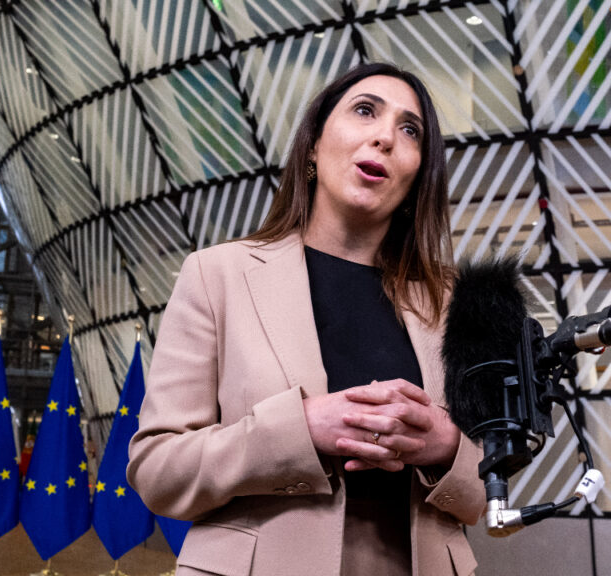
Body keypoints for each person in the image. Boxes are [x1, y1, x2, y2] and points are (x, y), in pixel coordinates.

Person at [127, 63, 485, 576]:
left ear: (418, 175)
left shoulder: (453, 302)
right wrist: (300, 429)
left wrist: (446, 448)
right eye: (365, 111)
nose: (386, 137)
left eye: (411, 130)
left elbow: (493, 493)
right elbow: (158, 472)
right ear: (313, 146)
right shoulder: (217, 275)